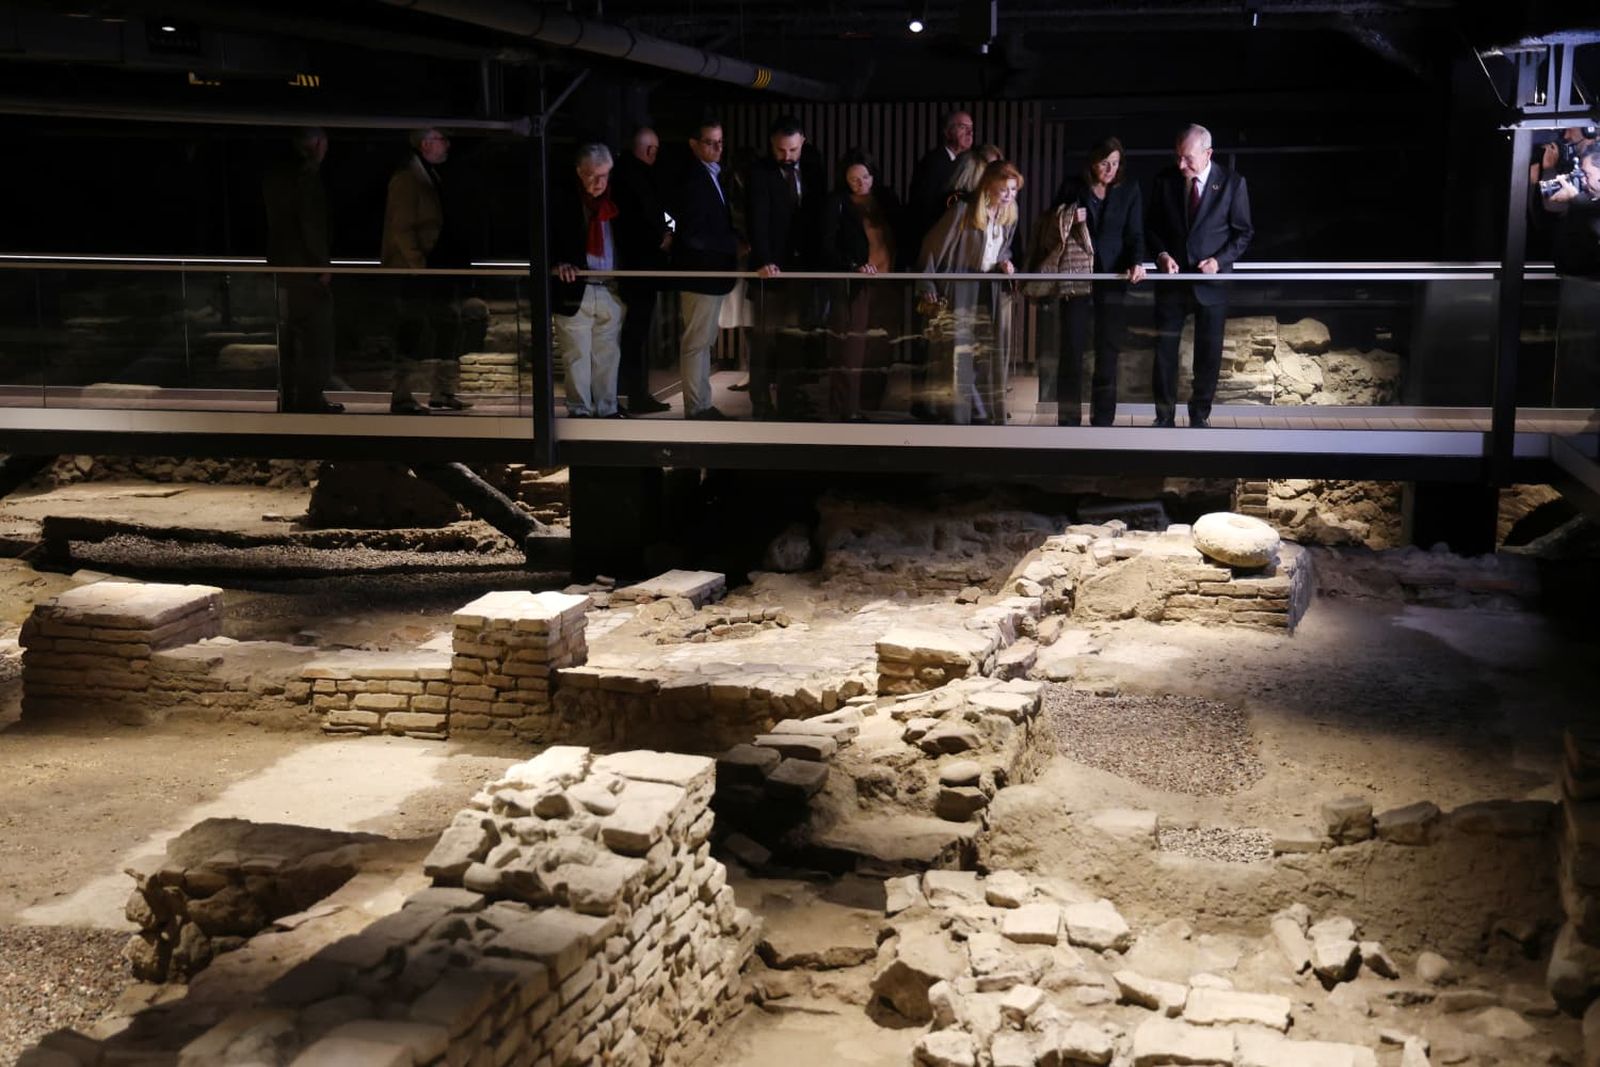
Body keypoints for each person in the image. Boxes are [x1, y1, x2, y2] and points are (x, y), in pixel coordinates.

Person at [1146, 123, 1253, 428]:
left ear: (1208, 154)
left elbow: (1244, 233)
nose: (1181, 165)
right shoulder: (1165, 180)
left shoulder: (1232, 183)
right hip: (1172, 283)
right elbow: (1151, 227)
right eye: (1178, 157)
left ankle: (1199, 415)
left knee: (1208, 355)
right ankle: (1163, 416)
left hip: (1212, 284)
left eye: (1188, 158)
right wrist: (1161, 255)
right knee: (1164, 352)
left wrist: (1219, 261)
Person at [1043, 136, 1146, 426]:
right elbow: (1049, 226)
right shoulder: (1073, 186)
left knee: (1107, 350)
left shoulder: (1130, 189)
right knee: (1071, 348)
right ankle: (1068, 420)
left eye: (1115, 163)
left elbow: (1135, 233)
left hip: (1112, 278)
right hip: (1077, 277)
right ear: (1092, 162)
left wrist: (1137, 262)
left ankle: (1103, 420)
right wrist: (1068, 216)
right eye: (1104, 163)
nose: (1110, 169)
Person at [917, 159, 1022, 425]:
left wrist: (1005, 262)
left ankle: (984, 413)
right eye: (1004, 190)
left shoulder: (1010, 214)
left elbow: (1002, 249)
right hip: (962, 286)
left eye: (1013, 190)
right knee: (960, 353)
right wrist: (927, 284)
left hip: (991, 288)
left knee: (988, 353)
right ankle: (961, 418)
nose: (1009, 195)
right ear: (988, 187)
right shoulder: (963, 210)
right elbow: (932, 247)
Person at [381, 127, 474, 414]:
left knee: (448, 324)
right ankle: (403, 395)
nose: (447, 144)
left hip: (433, 269)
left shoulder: (427, 174)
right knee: (412, 330)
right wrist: (419, 265)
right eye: (440, 139)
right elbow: (401, 228)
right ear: (425, 144)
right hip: (416, 273)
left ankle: (442, 391)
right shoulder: (408, 178)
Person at [746, 115, 826, 419]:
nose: (787, 156)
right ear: (771, 144)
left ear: (802, 141)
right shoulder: (759, 172)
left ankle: (789, 403)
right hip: (769, 270)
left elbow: (816, 219)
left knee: (793, 341)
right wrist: (765, 260)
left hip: (802, 268)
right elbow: (757, 221)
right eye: (781, 150)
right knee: (764, 341)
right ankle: (761, 403)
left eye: (793, 149)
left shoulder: (813, 168)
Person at [818, 149, 904, 420]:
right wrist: (853, 266)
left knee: (880, 346)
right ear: (844, 179)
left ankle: (870, 405)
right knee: (850, 349)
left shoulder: (885, 199)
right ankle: (846, 411)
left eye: (865, 177)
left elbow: (902, 235)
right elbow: (826, 246)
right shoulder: (837, 202)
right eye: (854, 179)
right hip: (855, 284)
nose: (861, 183)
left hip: (889, 281)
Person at [262, 127, 342, 414]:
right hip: (305, 270)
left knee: (288, 338)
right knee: (315, 337)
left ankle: (290, 397)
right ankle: (309, 398)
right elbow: (311, 224)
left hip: (282, 268)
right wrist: (322, 264)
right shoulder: (306, 175)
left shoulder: (276, 174)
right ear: (317, 143)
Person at [668, 117, 739, 419]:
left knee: (702, 342)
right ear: (694, 144)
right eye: (710, 142)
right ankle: (697, 407)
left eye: (720, 142)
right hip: (700, 273)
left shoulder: (710, 175)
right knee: (697, 342)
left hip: (709, 272)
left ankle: (701, 404)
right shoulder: (693, 178)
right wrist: (731, 244)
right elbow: (693, 233)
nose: (718, 148)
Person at [550, 144, 625, 419]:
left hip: (609, 287)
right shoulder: (561, 201)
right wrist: (557, 263)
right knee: (576, 356)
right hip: (575, 288)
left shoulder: (615, 202)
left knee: (608, 355)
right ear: (579, 172)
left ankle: (607, 409)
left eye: (604, 175)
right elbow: (544, 240)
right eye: (593, 175)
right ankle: (579, 411)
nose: (599, 182)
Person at [611, 127, 672, 415]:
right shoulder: (636, 177)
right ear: (648, 150)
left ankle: (632, 393)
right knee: (635, 334)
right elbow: (647, 218)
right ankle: (635, 393)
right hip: (639, 267)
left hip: (634, 265)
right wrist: (663, 236)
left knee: (633, 335)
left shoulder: (623, 174)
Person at [909, 111, 976, 246]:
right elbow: (923, 205)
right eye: (963, 127)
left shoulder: (967, 163)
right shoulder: (933, 162)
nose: (970, 133)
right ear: (947, 132)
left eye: (971, 128)